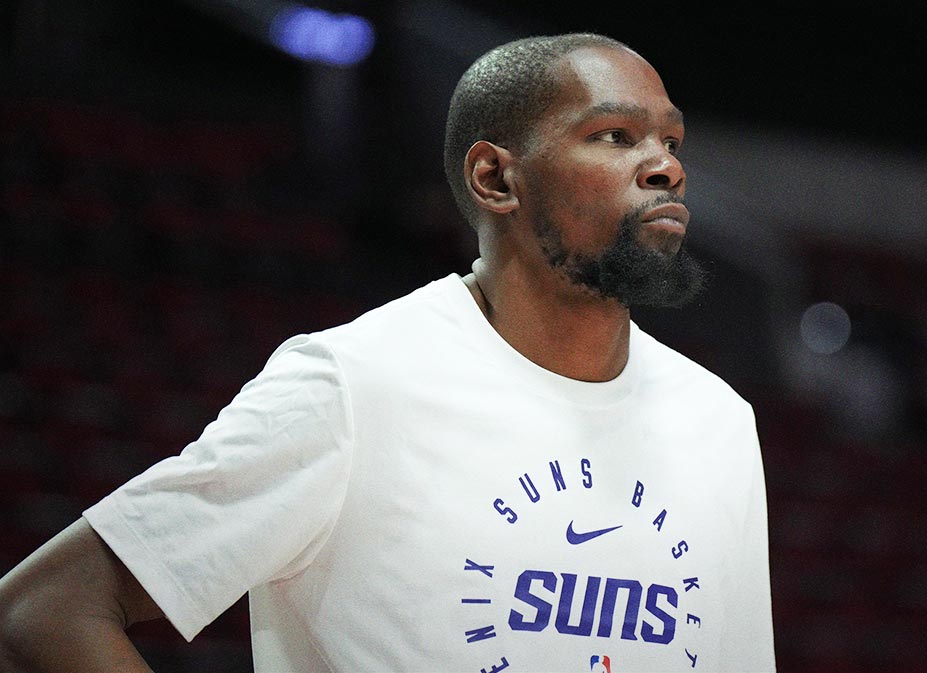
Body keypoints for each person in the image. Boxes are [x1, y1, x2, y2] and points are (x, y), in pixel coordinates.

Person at [0, 32, 776, 672]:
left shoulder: (719, 421)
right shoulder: (353, 383)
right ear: (494, 178)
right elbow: (47, 607)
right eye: (615, 136)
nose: (665, 164)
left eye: (670, 139)